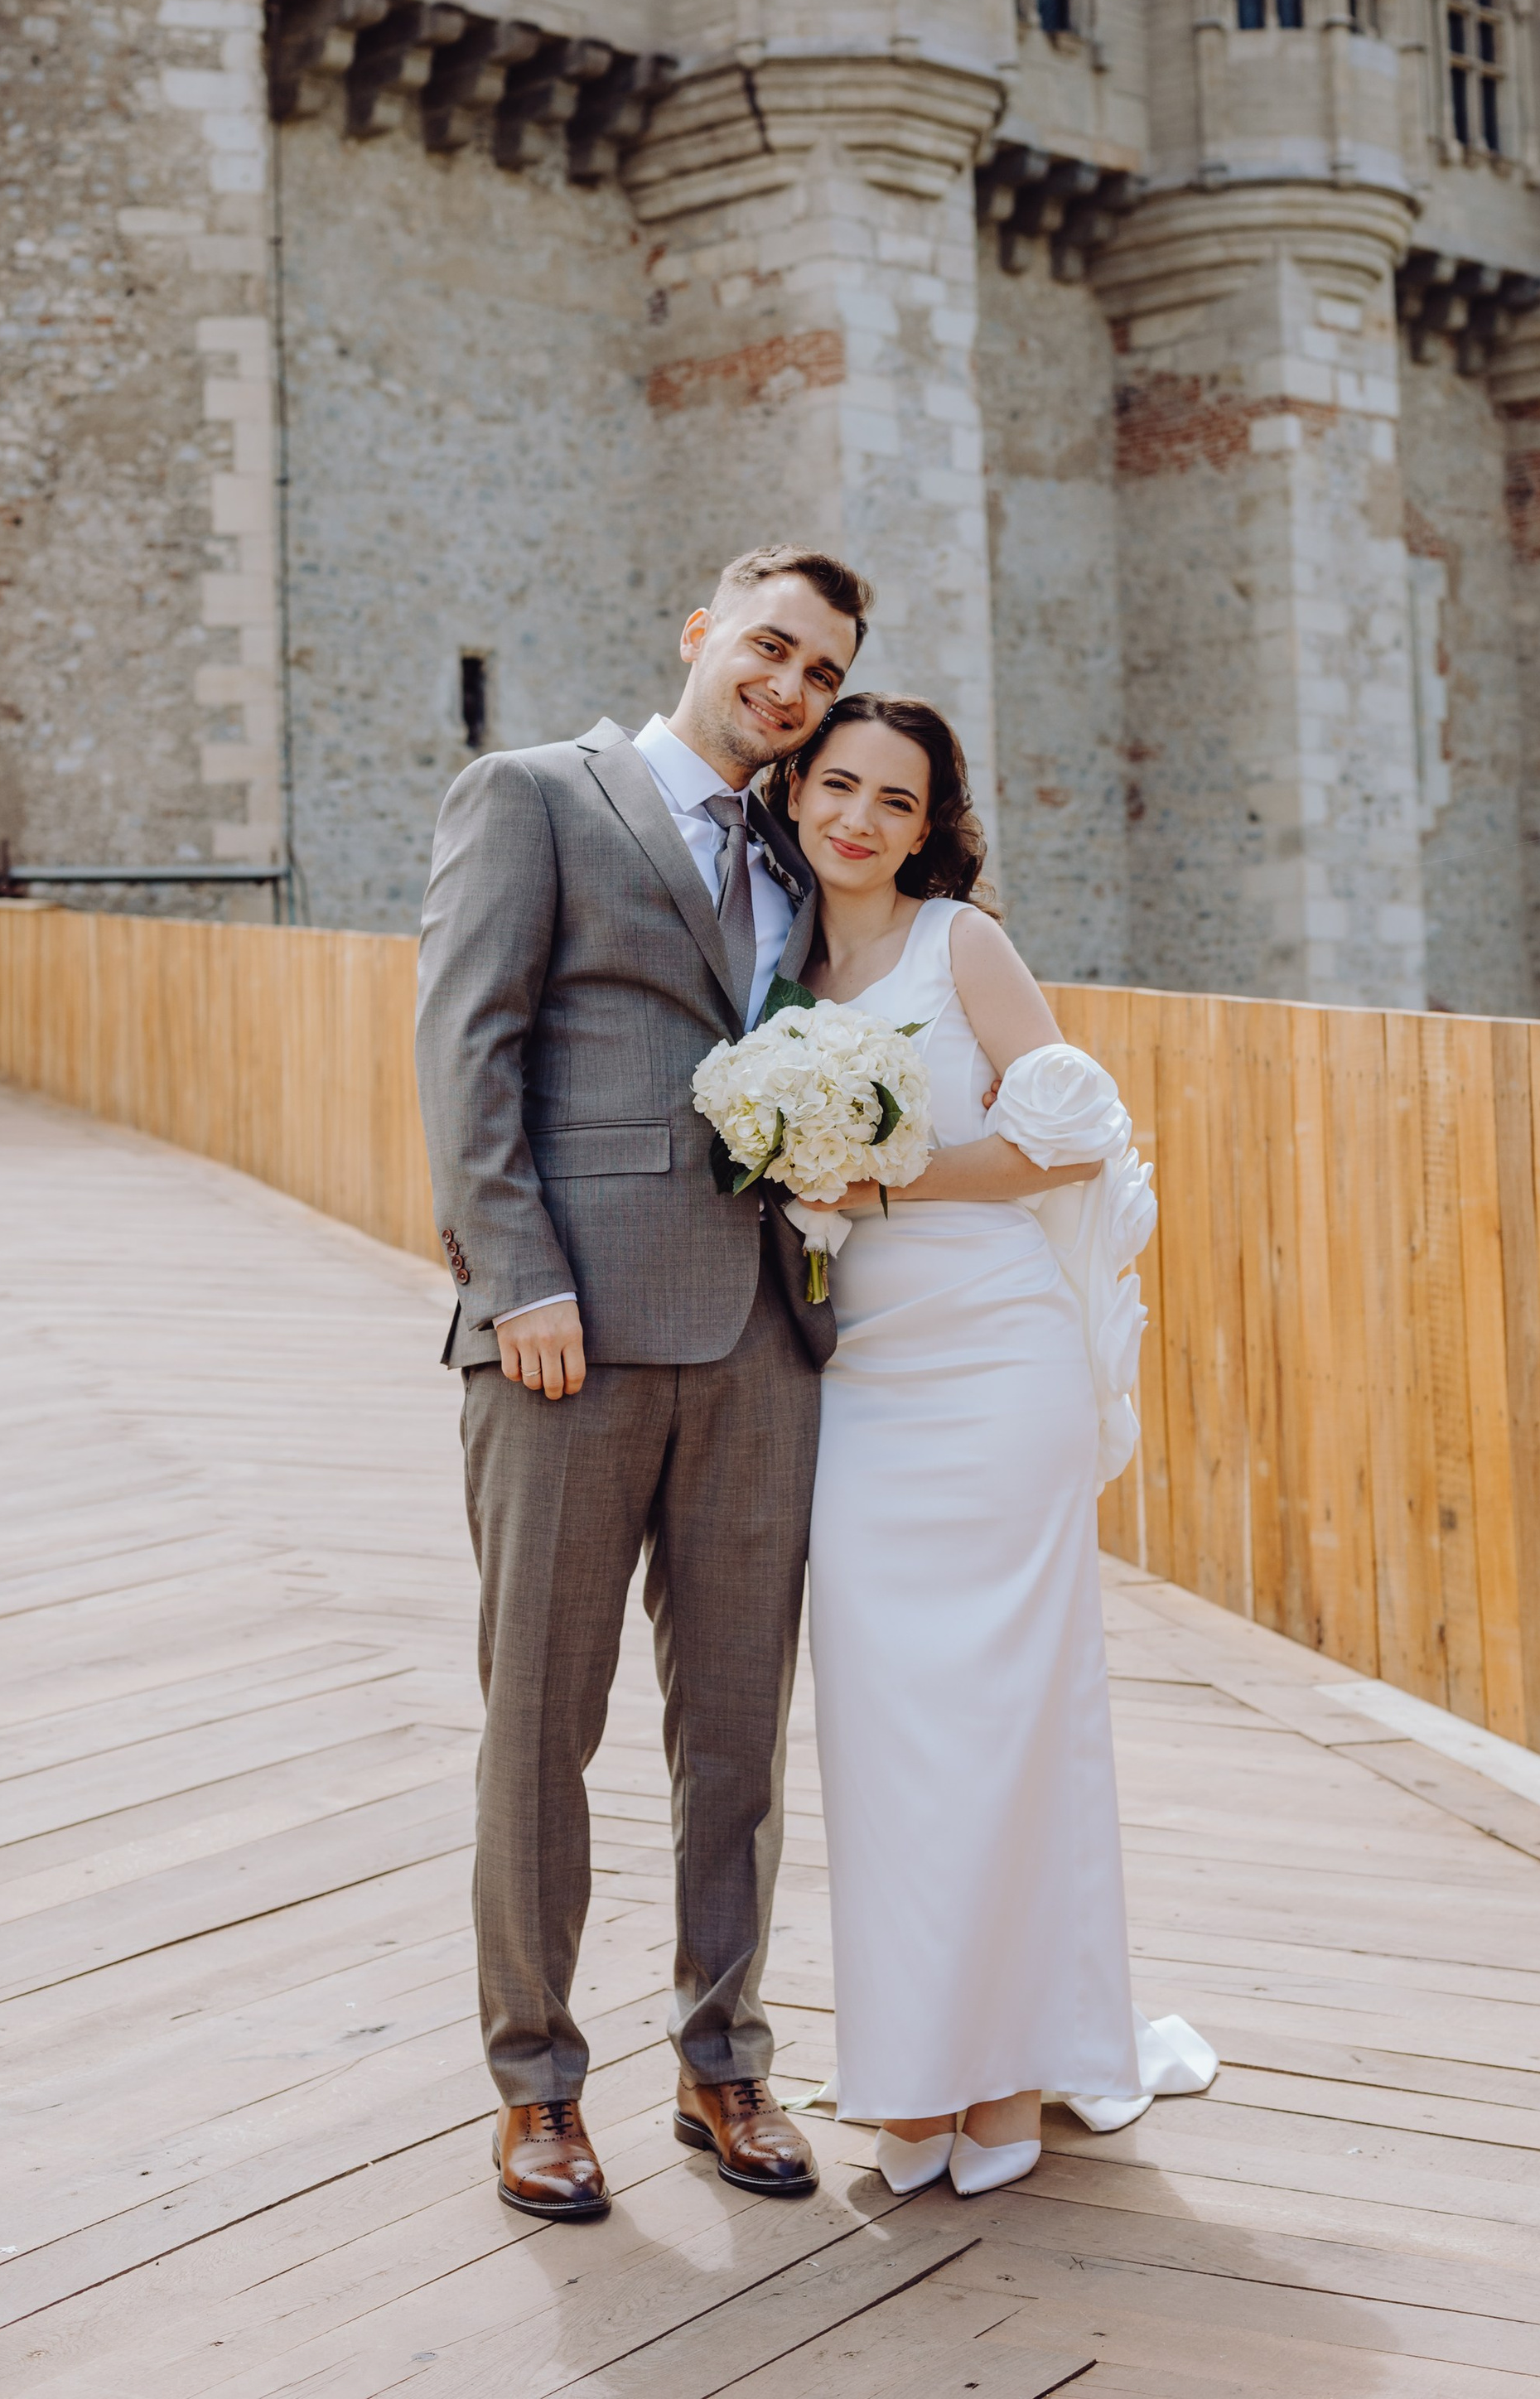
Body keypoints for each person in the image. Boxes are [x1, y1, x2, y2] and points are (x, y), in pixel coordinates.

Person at [413, 543, 870, 2223]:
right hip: (567, 1344)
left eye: (819, 673)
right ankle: (534, 2086)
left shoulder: (796, 846)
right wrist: (516, 1274)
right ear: (698, 634)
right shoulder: (533, 794)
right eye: (770, 648)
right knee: (541, 1727)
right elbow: (467, 1046)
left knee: (737, 1735)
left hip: (761, 1343)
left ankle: (722, 2056)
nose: (789, 688)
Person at [773, 693, 1212, 2199]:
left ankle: (1013, 2070)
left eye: (897, 803)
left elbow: (1071, 1134)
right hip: (863, 1385)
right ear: (797, 793)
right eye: (839, 787)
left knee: (1018, 1723)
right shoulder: (765, 957)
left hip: (994, 1364)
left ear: (929, 825)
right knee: (889, 1732)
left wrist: (871, 1181)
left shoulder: (960, 944)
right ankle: (915, 2070)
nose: (860, 822)